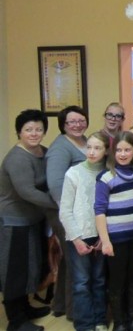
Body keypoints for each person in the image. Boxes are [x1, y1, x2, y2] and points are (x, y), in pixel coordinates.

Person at [0, 109, 57, 331]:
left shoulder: (43, 152)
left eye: (38, 129)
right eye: (28, 129)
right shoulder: (17, 158)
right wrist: (59, 203)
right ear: (19, 132)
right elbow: (27, 192)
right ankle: (16, 321)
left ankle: (25, 308)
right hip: (15, 221)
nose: (34, 133)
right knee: (15, 270)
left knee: (30, 266)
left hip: (34, 218)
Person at [95, 131, 133, 331]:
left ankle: (132, 318)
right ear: (112, 152)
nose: (123, 154)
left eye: (127, 150)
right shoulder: (106, 177)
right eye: (118, 150)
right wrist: (105, 240)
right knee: (117, 280)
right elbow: (99, 211)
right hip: (116, 239)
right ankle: (119, 321)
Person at [60, 132, 111, 331]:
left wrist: (103, 237)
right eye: (89, 147)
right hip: (79, 235)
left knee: (99, 280)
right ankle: (84, 324)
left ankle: (100, 320)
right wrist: (76, 239)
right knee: (81, 282)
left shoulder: (108, 173)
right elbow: (65, 210)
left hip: (100, 235)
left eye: (97, 148)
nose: (91, 152)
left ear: (106, 150)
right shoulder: (74, 173)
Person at [46, 105, 89, 319]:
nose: (77, 125)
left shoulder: (84, 140)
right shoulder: (60, 148)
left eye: (81, 120)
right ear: (63, 125)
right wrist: (69, 216)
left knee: (69, 259)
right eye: (71, 122)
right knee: (76, 262)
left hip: (81, 211)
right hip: (66, 213)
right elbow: (55, 185)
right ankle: (76, 312)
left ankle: (60, 304)